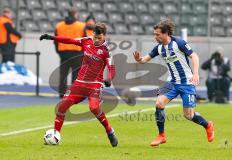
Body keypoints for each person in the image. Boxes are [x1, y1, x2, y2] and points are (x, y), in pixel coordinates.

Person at [133, 19, 214, 147]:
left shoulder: (179, 43)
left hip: (187, 82)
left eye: (158, 34)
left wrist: (196, 73)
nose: (155, 36)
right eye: (154, 34)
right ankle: (161, 136)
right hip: (172, 82)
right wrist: (139, 59)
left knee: (188, 115)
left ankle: (208, 125)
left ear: (166, 34)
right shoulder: (159, 48)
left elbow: (194, 56)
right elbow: (144, 59)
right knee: (159, 103)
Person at [40, 23, 118, 147]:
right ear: (93, 34)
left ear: (104, 36)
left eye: (99, 38)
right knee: (62, 106)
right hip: (79, 83)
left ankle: (109, 131)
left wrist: (109, 79)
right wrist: (52, 37)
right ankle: (56, 135)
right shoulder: (86, 41)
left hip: (94, 85)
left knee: (93, 108)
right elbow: (69, 40)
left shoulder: (106, 51)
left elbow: (112, 68)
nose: (96, 40)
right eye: (95, 37)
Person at [54, 7, 85, 98]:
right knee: (75, 75)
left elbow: (55, 40)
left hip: (64, 53)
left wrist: (58, 51)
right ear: (75, 14)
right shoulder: (81, 25)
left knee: (63, 74)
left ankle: (61, 93)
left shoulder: (59, 25)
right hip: (77, 53)